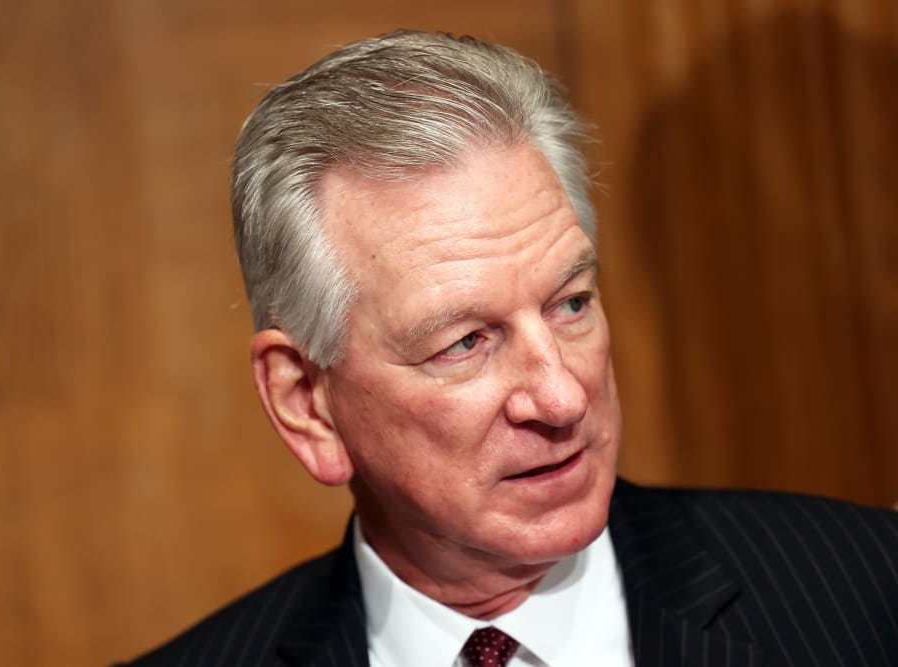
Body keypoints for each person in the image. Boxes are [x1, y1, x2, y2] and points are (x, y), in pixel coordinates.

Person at [120, 30, 898, 667]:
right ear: (307, 404)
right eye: (465, 342)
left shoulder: (866, 591)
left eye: (571, 303)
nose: (562, 397)